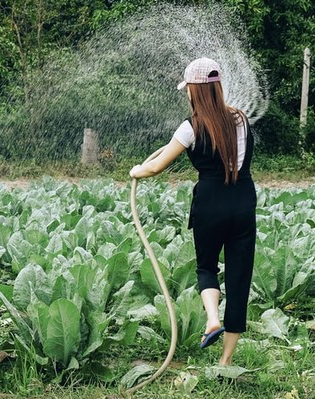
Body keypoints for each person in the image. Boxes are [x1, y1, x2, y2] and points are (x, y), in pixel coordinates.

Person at [129, 57, 256, 366]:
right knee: (239, 278)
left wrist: (136, 170)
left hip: (210, 203)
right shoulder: (240, 118)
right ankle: (225, 362)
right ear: (218, 88)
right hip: (242, 201)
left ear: (195, 92)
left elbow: (156, 166)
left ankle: (212, 319)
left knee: (207, 267)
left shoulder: (191, 127)